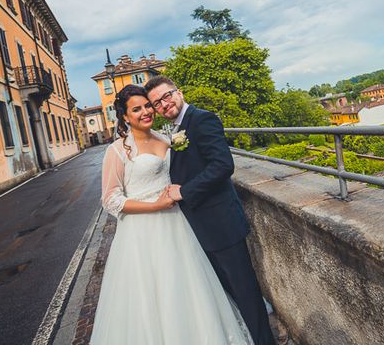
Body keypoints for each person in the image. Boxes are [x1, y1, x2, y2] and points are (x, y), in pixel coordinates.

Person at [91, 85, 253, 344]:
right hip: (142, 232)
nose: (146, 112)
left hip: (180, 224)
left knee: (190, 288)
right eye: (137, 109)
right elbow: (110, 200)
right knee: (155, 295)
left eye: (147, 106)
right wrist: (155, 206)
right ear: (124, 116)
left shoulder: (167, 139)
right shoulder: (118, 151)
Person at [144, 76, 275, 345]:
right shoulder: (174, 128)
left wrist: (185, 191)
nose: (164, 104)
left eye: (167, 96)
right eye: (157, 102)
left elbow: (223, 165)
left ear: (178, 92)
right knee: (228, 292)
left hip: (221, 224)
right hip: (199, 227)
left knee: (245, 291)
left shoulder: (202, 119)